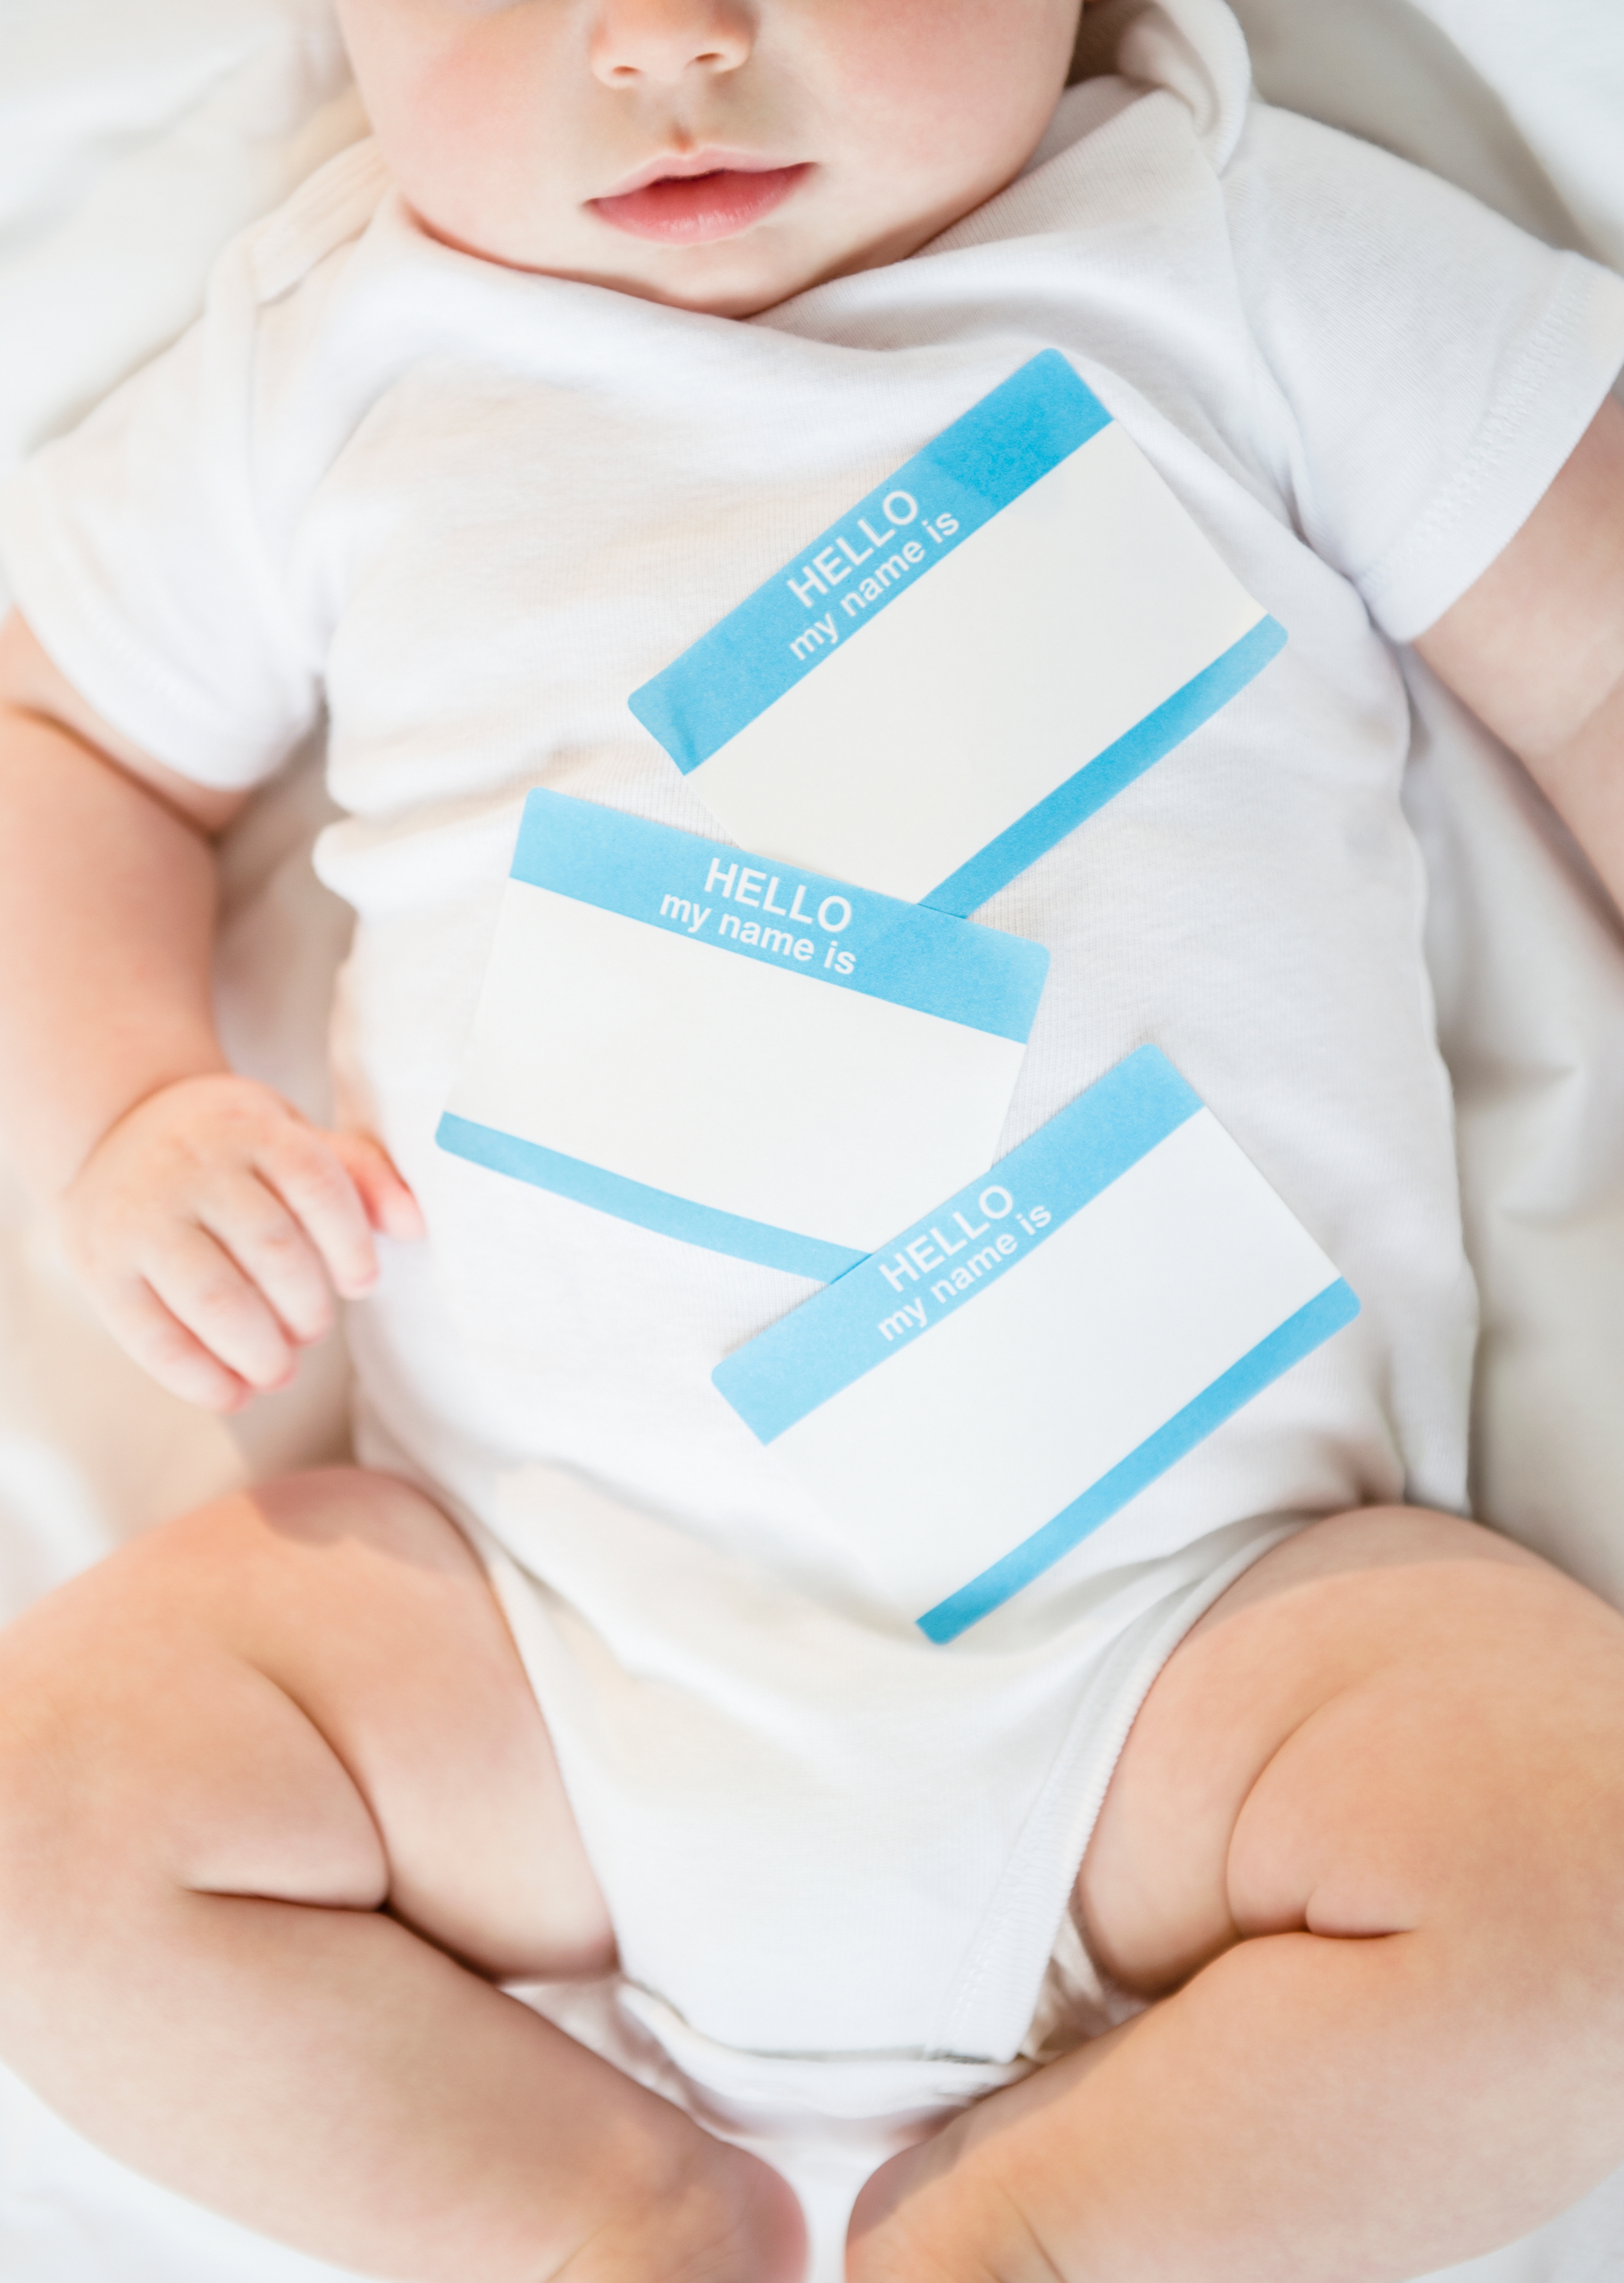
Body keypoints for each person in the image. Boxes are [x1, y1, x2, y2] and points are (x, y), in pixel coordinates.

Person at [1, 0, 1624, 2277]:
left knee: (1581, 1867)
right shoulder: (338, 355)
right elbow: (60, 732)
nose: (668, 38)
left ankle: (1041, 2238)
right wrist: (127, 1105)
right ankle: (594, 2214)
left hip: (1216, 1657)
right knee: (59, 1817)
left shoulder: (1221, 248)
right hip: (522, 1670)